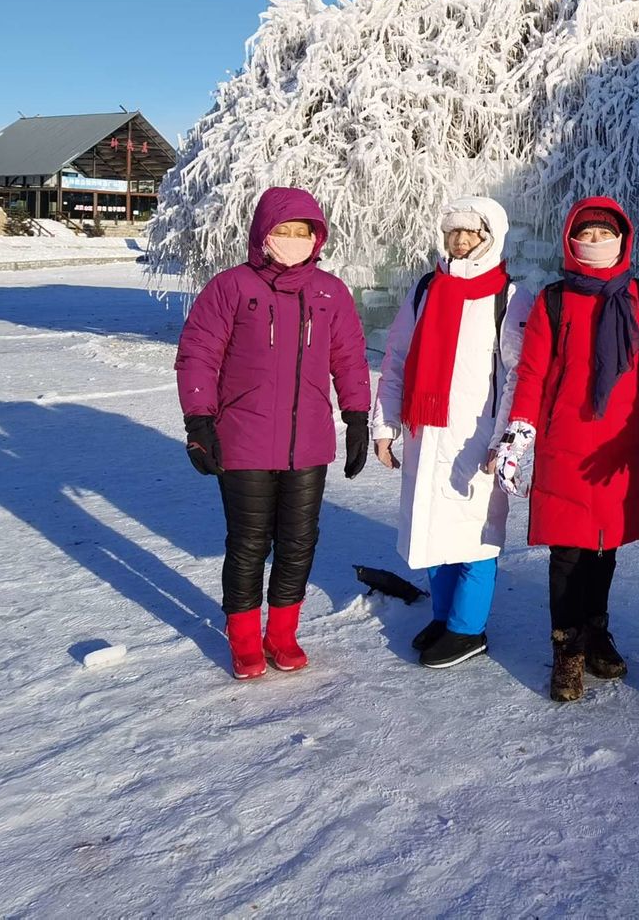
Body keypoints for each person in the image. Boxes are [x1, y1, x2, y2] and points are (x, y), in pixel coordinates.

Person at [175, 186, 371, 680]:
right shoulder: (231, 288)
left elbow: (348, 357)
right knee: (247, 543)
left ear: (317, 237)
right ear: (263, 233)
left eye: (302, 231)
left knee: (299, 541)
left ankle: (282, 634)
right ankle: (243, 640)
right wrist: (199, 419)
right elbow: (198, 353)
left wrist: (356, 416)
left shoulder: (330, 292)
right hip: (242, 440)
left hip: (307, 443)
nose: (292, 239)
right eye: (282, 230)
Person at [494, 198, 639, 702]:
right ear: (570, 239)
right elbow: (531, 372)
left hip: (618, 445)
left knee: (605, 548)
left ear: (623, 238)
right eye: (586, 234)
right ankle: (567, 653)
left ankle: (596, 634)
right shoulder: (554, 301)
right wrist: (520, 432)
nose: (594, 243)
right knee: (569, 552)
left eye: (604, 234)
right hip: (565, 443)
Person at [372, 197, 530, 670]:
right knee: (432, 529)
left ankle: (468, 629)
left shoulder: (510, 296)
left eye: (471, 233)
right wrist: (385, 425)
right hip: (426, 434)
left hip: (475, 438)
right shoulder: (425, 290)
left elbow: (519, 375)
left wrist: (504, 441)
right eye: (453, 232)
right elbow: (397, 358)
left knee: (475, 535)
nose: (460, 242)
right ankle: (444, 617)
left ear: (492, 236)